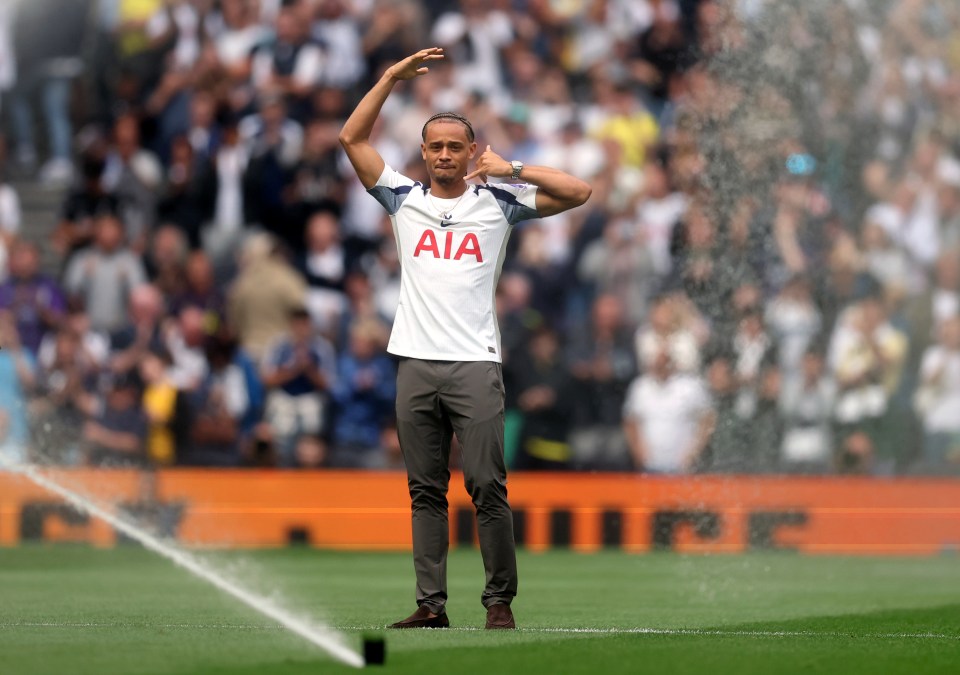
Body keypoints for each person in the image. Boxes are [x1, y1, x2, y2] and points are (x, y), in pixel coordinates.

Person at [339, 47, 591, 630]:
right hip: (416, 363)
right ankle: (432, 606)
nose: (447, 155)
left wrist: (515, 169)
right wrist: (388, 78)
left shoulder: (498, 203)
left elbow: (579, 192)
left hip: (475, 364)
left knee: (486, 487)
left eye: (457, 146)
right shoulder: (403, 199)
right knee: (424, 492)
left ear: (472, 152)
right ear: (424, 153)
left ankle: (499, 602)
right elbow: (352, 139)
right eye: (437, 146)